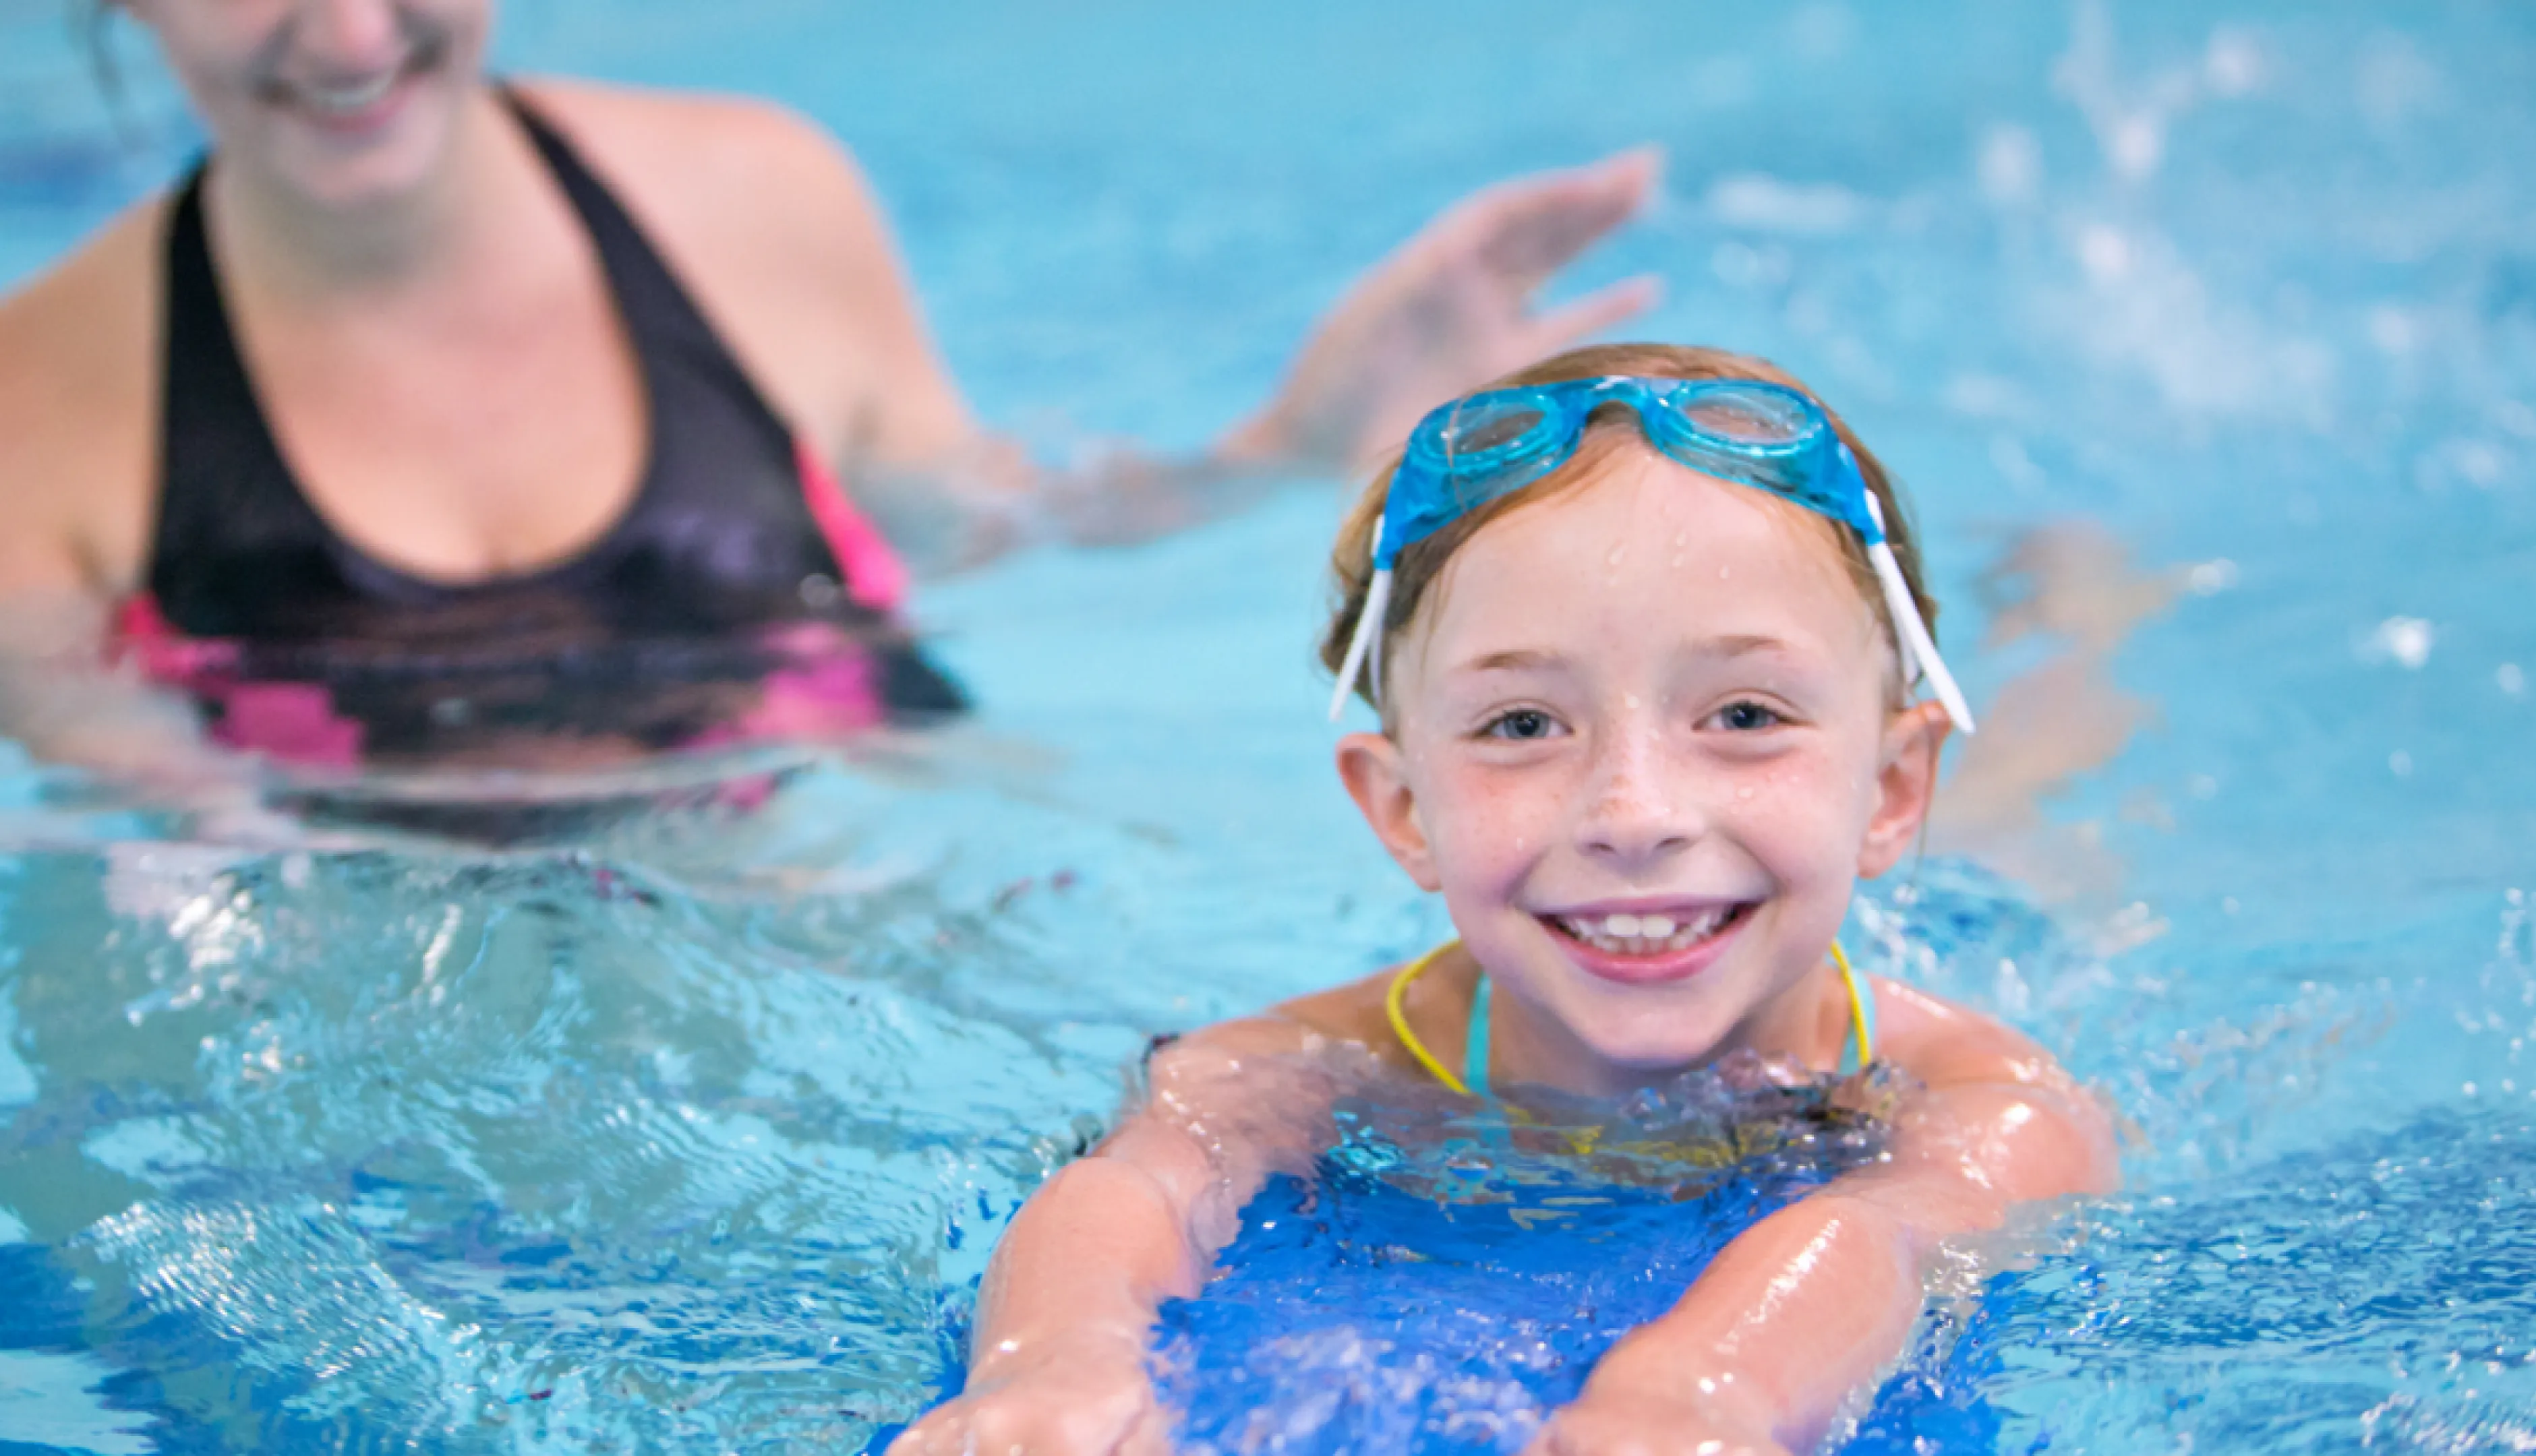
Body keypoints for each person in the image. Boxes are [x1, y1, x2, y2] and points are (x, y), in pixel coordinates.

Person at [895, 343, 2117, 1455]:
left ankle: (2078, 612)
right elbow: (1139, 1184)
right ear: (1402, 810)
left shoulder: (1987, 1102)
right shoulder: (1302, 1067)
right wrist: (1050, 1368)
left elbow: (1880, 1233)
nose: (1633, 813)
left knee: (2024, 809)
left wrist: (1692, 1397)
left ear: (1893, 790)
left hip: (1972, 908)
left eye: (1746, 714)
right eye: (1523, 724)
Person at [0, 0, 1659, 780]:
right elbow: (167, 853)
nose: (353, 34)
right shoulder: (36, 408)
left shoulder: (756, 205)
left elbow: (975, 528)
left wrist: (1283, 451)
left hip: (853, 902)